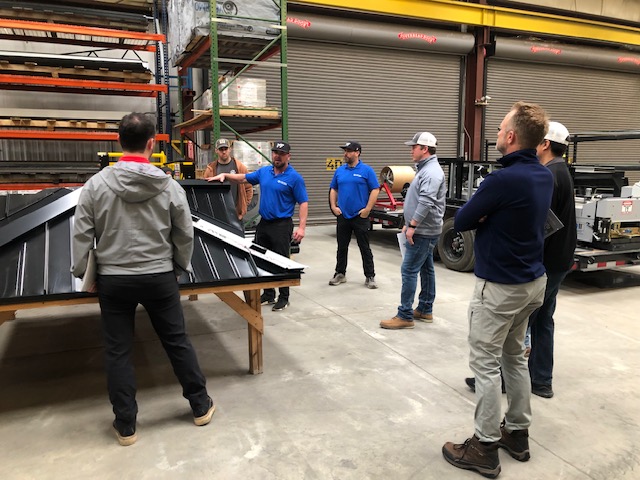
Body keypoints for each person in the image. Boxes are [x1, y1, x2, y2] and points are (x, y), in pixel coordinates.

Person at [71, 113, 215, 447]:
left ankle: (126, 426)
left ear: (119, 142)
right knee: (176, 341)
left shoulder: (95, 186)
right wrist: (178, 267)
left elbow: (81, 234)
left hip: (114, 280)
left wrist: (84, 273)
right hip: (159, 277)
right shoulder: (169, 186)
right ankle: (200, 406)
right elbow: (184, 234)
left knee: (118, 351)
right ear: (152, 144)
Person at [442, 102, 553, 478]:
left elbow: (462, 220)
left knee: (485, 364)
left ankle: (484, 446)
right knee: (514, 358)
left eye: (502, 127)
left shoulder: (501, 180)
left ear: (510, 137)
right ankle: (517, 434)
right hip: (531, 284)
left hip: (501, 287)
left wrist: (484, 210)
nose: (497, 133)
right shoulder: (543, 175)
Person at [209, 141, 308, 311]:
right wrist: (224, 176)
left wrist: (302, 228)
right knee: (262, 259)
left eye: (281, 153)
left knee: (282, 262)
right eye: (275, 152)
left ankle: (284, 296)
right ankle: (268, 293)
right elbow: (243, 178)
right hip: (264, 224)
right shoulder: (265, 172)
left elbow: (303, 203)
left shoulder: (294, 178)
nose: (277, 156)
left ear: (288, 156)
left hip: (281, 225)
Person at [528, 121, 577, 399]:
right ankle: (541, 381)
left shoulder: (548, 174)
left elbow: (540, 225)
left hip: (546, 262)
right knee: (544, 318)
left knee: (519, 320)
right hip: (559, 260)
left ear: (545, 144)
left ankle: (501, 378)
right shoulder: (561, 170)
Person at [380, 132, 446, 329]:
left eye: (414, 147)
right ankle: (425, 309)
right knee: (426, 269)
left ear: (424, 149)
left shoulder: (432, 172)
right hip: (421, 228)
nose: (411, 150)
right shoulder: (426, 169)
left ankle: (405, 315)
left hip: (424, 230)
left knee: (408, 270)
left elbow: (426, 201)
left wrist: (414, 225)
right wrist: (408, 223)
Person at [328, 141, 380, 289]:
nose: (346, 154)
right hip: (343, 215)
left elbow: (375, 189)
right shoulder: (340, 171)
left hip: (359, 216)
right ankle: (340, 273)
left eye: (349, 151)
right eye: (345, 151)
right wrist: (333, 206)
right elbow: (333, 189)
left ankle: (370, 276)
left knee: (364, 247)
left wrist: (367, 209)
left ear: (357, 153)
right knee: (342, 246)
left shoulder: (367, 170)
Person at [203, 138, 254, 221]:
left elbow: (248, 188)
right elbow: (204, 191)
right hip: (217, 215)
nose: (224, 152)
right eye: (221, 149)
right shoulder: (210, 169)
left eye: (226, 149)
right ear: (216, 151)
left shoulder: (239, 167)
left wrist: (243, 207)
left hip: (236, 214)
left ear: (230, 149)